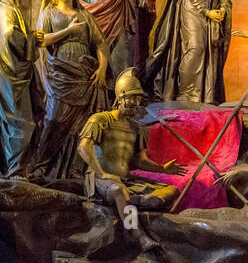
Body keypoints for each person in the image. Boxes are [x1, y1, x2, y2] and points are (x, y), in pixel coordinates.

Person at [78, 69, 186, 252]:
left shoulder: (135, 128)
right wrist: (102, 173)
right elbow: (83, 148)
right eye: (132, 98)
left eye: (138, 99)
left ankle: (131, 206)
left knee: (171, 190)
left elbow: (139, 161)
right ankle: (136, 235)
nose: (136, 103)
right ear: (120, 97)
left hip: (126, 179)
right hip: (100, 179)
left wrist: (162, 169)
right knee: (118, 190)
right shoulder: (100, 120)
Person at [29, 0, 109, 182]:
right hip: (61, 72)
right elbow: (41, 41)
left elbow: (100, 44)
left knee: (83, 122)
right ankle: (41, 166)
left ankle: (76, 168)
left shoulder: (85, 15)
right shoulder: (49, 13)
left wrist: (102, 68)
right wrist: (67, 30)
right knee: (54, 119)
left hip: (85, 72)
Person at [143, 0, 232, 103]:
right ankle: (186, 91)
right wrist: (207, 11)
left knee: (206, 49)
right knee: (195, 47)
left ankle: (202, 95)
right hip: (191, 10)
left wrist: (223, 5)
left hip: (208, 12)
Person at [0, 0, 39, 179]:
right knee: (20, 122)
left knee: (17, 122)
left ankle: (15, 168)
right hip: (12, 77)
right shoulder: (7, 10)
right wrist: (31, 39)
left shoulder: (5, 12)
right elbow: (9, 34)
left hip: (13, 73)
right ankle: (14, 169)